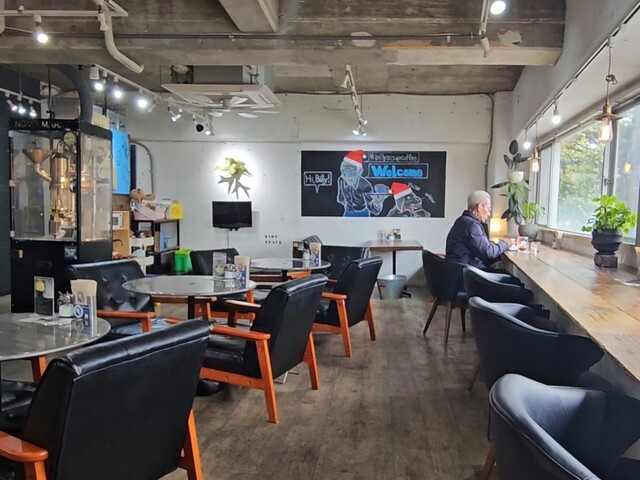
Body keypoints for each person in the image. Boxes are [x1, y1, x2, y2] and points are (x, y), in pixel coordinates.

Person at [446, 190, 508, 268]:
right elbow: (489, 252)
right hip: (466, 272)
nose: (489, 214)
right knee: (509, 275)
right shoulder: (472, 225)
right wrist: (505, 243)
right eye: (488, 209)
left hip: (456, 269)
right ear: (480, 207)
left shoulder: (462, 220)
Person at [336, 150, 384, 217]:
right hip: (348, 211)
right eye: (344, 170)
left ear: (359, 171)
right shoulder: (341, 180)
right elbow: (340, 198)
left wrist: (377, 203)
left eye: (350, 170)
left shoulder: (365, 185)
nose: (346, 175)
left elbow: (371, 207)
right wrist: (348, 205)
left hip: (362, 212)